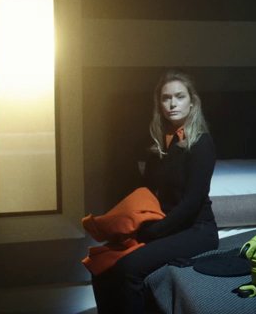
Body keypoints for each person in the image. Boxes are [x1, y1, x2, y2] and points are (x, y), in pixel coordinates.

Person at [91, 69, 219, 313]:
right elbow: (147, 192)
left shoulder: (201, 143)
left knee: (128, 268)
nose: (172, 104)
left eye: (179, 96)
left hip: (197, 230)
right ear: (159, 104)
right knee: (101, 264)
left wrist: (154, 232)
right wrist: (135, 227)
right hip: (165, 226)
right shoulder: (160, 145)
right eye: (166, 98)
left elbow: (192, 203)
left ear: (192, 102)